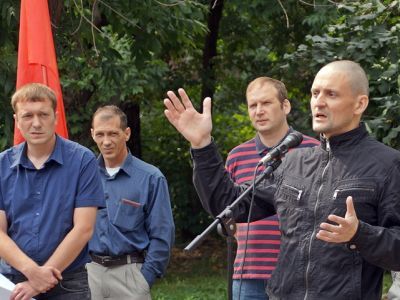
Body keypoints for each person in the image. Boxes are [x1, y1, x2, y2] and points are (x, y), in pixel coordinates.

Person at [164, 60, 400, 299]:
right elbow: (228, 204)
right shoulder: (293, 162)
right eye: (315, 93)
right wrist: (201, 145)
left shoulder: (388, 164)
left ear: (360, 104)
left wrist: (359, 234)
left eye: (331, 94)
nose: (319, 101)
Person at [0, 83, 105, 300]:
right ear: (17, 121)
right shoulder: (1, 165)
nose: (36, 123)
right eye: (27, 115)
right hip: (13, 283)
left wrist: (40, 281)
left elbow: (84, 228)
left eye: (43, 114)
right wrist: (33, 273)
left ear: (55, 117)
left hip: (69, 284)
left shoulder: (82, 161)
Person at [224, 77, 319, 300]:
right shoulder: (237, 156)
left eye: (266, 103)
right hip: (248, 275)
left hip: (300, 272)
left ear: (285, 106)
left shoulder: (313, 150)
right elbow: (230, 209)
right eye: (253, 105)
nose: (259, 111)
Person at [88, 105, 175, 300]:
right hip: (89, 274)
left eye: (113, 133)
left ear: (126, 133)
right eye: (100, 134)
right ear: (92, 134)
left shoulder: (151, 178)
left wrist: (145, 278)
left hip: (130, 275)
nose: (106, 141)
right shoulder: (84, 176)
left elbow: (162, 233)